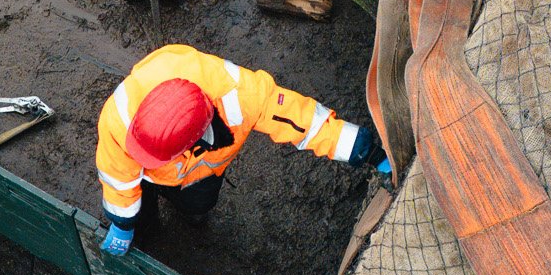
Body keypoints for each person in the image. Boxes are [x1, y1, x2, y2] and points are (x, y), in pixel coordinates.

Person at [96, 44, 384, 255]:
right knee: (138, 202)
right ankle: (144, 218)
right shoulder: (119, 118)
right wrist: (123, 222)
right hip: (148, 177)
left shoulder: (245, 96)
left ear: (196, 138)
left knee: (198, 206)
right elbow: (118, 176)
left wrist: (366, 151)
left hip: (202, 171)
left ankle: (189, 212)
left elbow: (305, 121)